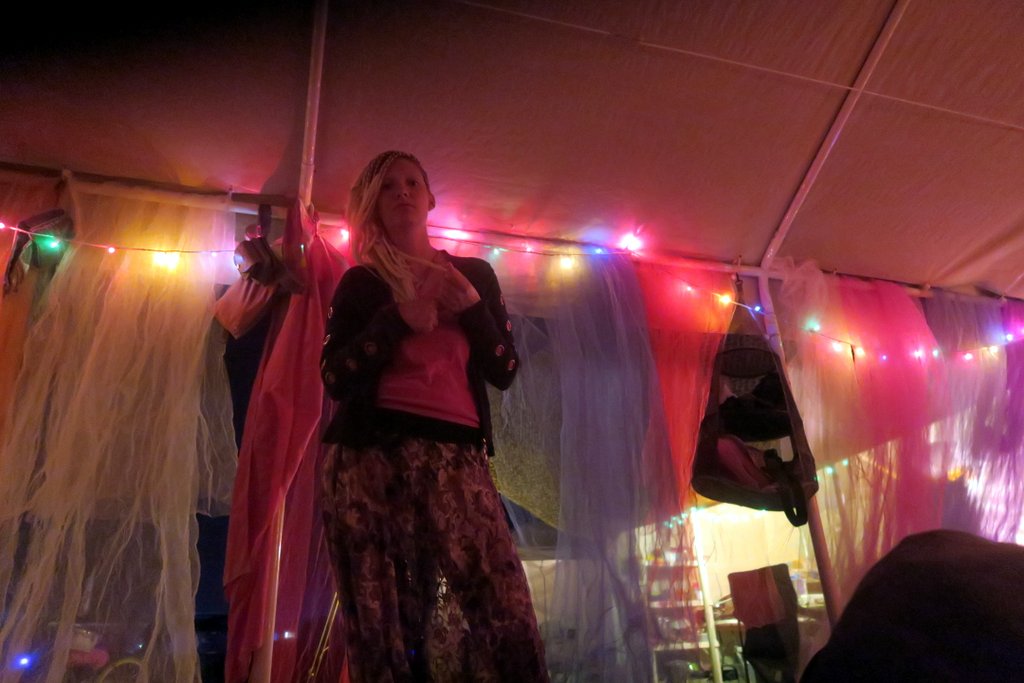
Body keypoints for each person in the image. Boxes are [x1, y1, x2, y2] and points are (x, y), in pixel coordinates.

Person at [319, 150, 549, 682]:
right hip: (371, 460)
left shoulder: (472, 274)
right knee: (389, 622)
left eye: (411, 182)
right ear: (372, 203)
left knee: (503, 609)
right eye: (387, 186)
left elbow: (505, 370)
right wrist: (397, 319)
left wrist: (471, 309)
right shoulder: (362, 283)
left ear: (430, 199)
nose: (401, 191)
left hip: (458, 458)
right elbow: (334, 377)